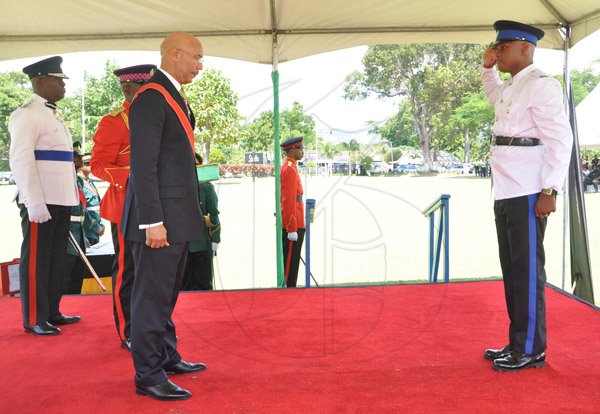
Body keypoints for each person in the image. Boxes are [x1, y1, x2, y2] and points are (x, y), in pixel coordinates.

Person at [481, 20, 573, 372]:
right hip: (505, 189)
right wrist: (486, 69)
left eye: (503, 48)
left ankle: (532, 348)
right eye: (497, 48)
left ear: (525, 48)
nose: (498, 52)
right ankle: (519, 339)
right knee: (512, 270)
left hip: (528, 190)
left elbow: (559, 140)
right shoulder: (510, 86)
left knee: (527, 272)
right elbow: (493, 96)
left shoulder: (540, 86)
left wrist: (550, 189)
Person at [121, 32, 206, 401]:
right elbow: (143, 165)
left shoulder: (170, 96)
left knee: (167, 294)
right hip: (159, 220)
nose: (200, 66)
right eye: (197, 57)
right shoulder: (151, 98)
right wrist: (151, 221)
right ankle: (148, 374)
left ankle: (166, 356)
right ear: (175, 54)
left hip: (177, 215)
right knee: (151, 298)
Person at [8, 56, 81, 335]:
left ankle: (51, 311)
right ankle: (35, 318)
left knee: (55, 259)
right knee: (37, 259)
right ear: (40, 81)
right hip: (41, 199)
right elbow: (21, 159)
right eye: (57, 80)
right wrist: (33, 200)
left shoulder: (51, 112)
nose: (63, 86)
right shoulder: (27, 113)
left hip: (60, 197)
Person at [90, 64, 156, 351]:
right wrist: (133, 176)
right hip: (126, 204)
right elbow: (97, 165)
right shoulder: (114, 122)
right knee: (127, 270)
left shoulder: (156, 116)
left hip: (157, 203)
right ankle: (128, 330)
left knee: (154, 271)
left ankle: (152, 327)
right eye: (144, 88)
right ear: (129, 89)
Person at [182, 153, 221, 291]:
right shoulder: (178, 186)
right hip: (182, 245)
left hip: (200, 244)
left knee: (203, 285)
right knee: (185, 286)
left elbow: (214, 217)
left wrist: (215, 238)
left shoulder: (206, 187)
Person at [280, 136, 305, 288]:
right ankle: (287, 293)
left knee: (293, 262)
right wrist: (291, 227)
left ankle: (290, 290)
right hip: (293, 221)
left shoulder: (292, 167)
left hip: (297, 218)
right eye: (300, 149)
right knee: (290, 264)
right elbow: (288, 200)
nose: (302, 152)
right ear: (292, 150)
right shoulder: (289, 169)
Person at [62, 148, 88, 295]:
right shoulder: (65, 178)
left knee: (77, 274)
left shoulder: (78, 180)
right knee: (65, 274)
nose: (80, 159)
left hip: (79, 232)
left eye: (80, 157)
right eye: (76, 157)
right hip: (67, 233)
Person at [79, 154, 104, 246]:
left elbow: (99, 204)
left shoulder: (89, 181)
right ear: (81, 165)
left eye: (91, 163)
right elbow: (82, 208)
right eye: (87, 163)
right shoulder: (79, 181)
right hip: (88, 229)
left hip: (96, 227)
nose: (90, 165)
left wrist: (102, 223)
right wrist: (96, 227)